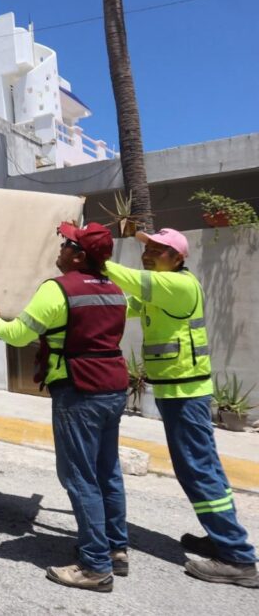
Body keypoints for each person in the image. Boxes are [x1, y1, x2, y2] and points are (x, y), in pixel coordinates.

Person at [0, 222, 129, 593]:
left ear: (79, 256)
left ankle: (94, 565)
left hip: (78, 391)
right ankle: (116, 549)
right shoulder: (114, 289)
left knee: (80, 477)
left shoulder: (58, 289)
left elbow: (18, 335)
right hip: (113, 387)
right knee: (107, 471)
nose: (59, 249)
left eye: (66, 244)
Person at [104, 228, 257, 588]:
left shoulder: (176, 286)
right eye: (148, 248)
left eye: (159, 249)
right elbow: (126, 306)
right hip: (179, 392)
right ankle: (223, 538)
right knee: (204, 469)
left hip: (186, 394)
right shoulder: (165, 285)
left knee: (198, 470)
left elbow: (130, 280)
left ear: (178, 258)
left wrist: (97, 261)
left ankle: (238, 557)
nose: (149, 253)